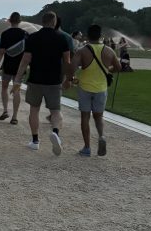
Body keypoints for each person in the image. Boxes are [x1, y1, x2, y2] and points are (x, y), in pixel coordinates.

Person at [16, 11, 70, 155]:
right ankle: (56, 132)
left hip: (36, 79)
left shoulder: (33, 38)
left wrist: (17, 79)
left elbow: (25, 61)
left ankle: (35, 140)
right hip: (54, 80)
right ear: (54, 22)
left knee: (34, 110)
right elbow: (67, 62)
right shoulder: (62, 38)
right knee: (55, 111)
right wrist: (68, 79)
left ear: (43, 21)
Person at [69, 24, 120, 157]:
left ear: (87, 36)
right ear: (100, 36)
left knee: (85, 117)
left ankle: (87, 148)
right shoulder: (109, 51)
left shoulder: (82, 51)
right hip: (101, 88)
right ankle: (101, 136)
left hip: (85, 87)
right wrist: (109, 70)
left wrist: (71, 79)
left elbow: (72, 68)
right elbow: (118, 67)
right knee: (99, 117)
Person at [0, 11, 26, 125]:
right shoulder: (25, 34)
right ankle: (15, 116)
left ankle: (5, 110)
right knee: (16, 90)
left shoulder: (5, 34)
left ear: (10, 21)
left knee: (4, 88)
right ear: (19, 21)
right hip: (20, 66)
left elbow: (1, 52)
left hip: (8, 64)